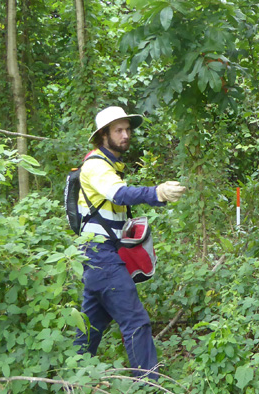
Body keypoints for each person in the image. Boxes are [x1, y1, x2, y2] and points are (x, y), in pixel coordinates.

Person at [73, 106, 186, 379]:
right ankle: (149, 384)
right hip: (101, 256)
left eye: (128, 129)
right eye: (118, 130)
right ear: (103, 135)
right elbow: (120, 194)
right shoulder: (96, 166)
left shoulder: (110, 165)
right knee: (135, 321)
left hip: (97, 254)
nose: (126, 135)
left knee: (92, 325)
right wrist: (157, 193)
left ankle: (69, 376)